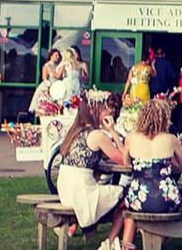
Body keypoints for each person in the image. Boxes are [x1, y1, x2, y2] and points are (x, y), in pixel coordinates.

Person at [57, 90, 126, 249]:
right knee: (126, 197)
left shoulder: (75, 132)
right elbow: (124, 159)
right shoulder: (97, 135)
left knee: (115, 195)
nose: (107, 112)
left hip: (65, 191)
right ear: (94, 111)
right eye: (104, 109)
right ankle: (110, 242)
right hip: (81, 193)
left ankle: (104, 237)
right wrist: (113, 131)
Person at [121, 99, 182, 250]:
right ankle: (155, 243)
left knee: (129, 211)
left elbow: (126, 163)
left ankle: (126, 247)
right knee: (181, 208)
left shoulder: (131, 138)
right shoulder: (171, 139)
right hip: (166, 198)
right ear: (164, 118)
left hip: (139, 198)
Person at [29, 48, 61, 115]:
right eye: (56, 55)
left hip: (56, 87)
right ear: (51, 56)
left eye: (58, 55)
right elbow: (44, 78)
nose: (57, 57)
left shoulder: (57, 65)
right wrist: (48, 86)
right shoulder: (47, 65)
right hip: (48, 85)